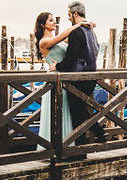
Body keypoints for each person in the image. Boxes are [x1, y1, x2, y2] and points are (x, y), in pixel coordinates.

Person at [33, 11, 94, 143]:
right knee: (58, 114)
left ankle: (69, 144)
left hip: (65, 80)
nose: (54, 22)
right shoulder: (44, 42)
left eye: (54, 20)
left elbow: (73, 39)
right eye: (51, 20)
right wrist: (80, 24)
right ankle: (56, 146)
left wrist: (86, 28)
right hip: (55, 81)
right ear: (43, 25)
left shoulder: (57, 39)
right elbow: (64, 35)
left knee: (71, 112)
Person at [54, 1, 107, 144]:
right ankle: (100, 134)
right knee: (82, 111)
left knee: (77, 115)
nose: (69, 18)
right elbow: (95, 51)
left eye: (69, 15)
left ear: (75, 13)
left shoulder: (76, 32)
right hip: (91, 76)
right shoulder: (91, 31)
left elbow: (71, 57)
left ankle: (80, 149)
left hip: (78, 78)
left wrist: (57, 66)